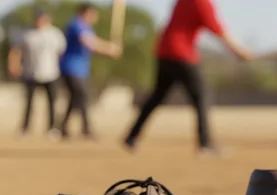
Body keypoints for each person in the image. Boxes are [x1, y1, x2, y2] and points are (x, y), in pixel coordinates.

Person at [124, 0, 254, 157]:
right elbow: (217, 29)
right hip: (181, 53)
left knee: (157, 96)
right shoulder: (201, 2)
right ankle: (205, 144)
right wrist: (238, 51)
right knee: (202, 95)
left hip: (164, 51)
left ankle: (131, 136)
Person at [58, 3, 122, 140]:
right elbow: (88, 43)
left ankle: (63, 127)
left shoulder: (87, 28)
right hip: (71, 67)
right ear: (85, 13)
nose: (95, 17)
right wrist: (109, 48)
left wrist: (108, 48)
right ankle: (86, 129)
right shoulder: (76, 24)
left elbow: (93, 41)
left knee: (76, 97)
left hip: (81, 69)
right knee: (82, 95)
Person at [6, 8, 66, 139]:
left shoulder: (55, 34)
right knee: (29, 103)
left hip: (51, 73)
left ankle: (52, 128)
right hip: (30, 73)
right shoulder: (27, 34)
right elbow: (16, 51)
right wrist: (14, 65)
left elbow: (61, 53)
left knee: (51, 103)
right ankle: (25, 128)